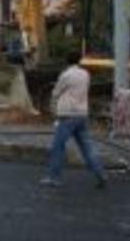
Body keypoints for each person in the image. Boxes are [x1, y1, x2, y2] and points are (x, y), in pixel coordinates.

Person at [40, 51, 107, 188]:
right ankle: (100, 173)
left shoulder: (66, 75)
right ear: (79, 61)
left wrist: (53, 110)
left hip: (67, 114)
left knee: (58, 147)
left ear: (66, 61)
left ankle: (54, 177)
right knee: (87, 147)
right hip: (82, 114)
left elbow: (55, 92)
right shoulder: (85, 74)